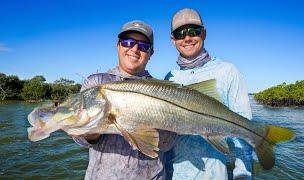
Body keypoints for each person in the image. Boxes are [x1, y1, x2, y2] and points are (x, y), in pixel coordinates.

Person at [72, 20, 176, 180]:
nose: (134, 49)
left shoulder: (163, 90)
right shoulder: (96, 83)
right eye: (128, 42)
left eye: (143, 46)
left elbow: (168, 144)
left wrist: (156, 124)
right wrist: (89, 132)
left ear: (151, 53)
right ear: (118, 45)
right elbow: (80, 139)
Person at [164, 8, 253, 180]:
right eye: (180, 33)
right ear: (173, 40)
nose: (187, 37)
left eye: (193, 31)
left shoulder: (228, 71)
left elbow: (245, 133)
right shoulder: (170, 77)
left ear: (204, 33)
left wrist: (243, 175)